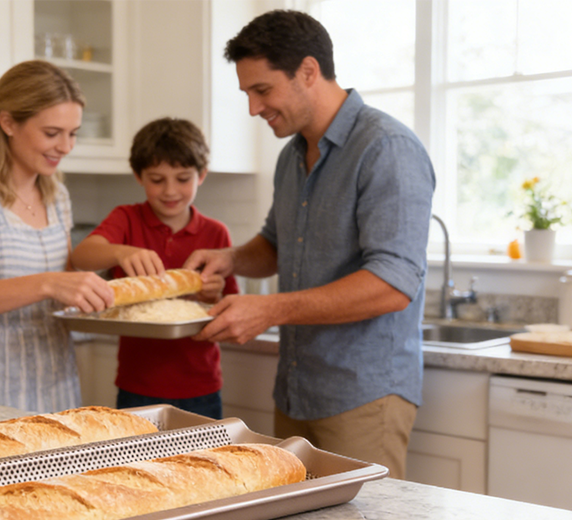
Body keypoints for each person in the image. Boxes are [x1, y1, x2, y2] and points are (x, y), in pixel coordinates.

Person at [183, 10, 435, 478]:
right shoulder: (292, 155)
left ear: (308, 72)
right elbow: (276, 246)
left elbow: (393, 285)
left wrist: (270, 309)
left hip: (363, 394)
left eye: (262, 90)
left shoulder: (386, 148)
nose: (254, 109)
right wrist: (230, 258)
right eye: (247, 94)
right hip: (298, 387)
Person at [0, 60, 114, 412]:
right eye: (52, 133)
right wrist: (48, 284)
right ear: (9, 122)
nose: (66, 146)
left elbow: (64, 285)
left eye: (72, 133)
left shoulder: (56, 194)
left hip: (57, 384)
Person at [70, 118, 239, 419]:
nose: (170, 191)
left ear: (202, 175)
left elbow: (230, 308)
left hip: (200, 386)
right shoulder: (127, 219)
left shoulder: (216, 234)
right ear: (138, 175)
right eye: (157, 179)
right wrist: (120, 252)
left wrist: (214, 295)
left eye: (183, 178)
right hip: (138, 384)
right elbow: (82, 256)